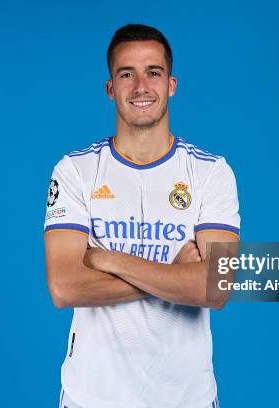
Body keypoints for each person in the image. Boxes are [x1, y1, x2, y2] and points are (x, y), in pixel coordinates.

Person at [44, 23, 240, 408]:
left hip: (188, 399)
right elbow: (65, 288)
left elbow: (215, 288)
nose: (140, 86)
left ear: (171, 84)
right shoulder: (74, 171)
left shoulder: (211, 172)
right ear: (110, 88)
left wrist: (109, 260)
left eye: (153, 72)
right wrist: (178, 276)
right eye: (126, 74)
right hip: (91, 398)